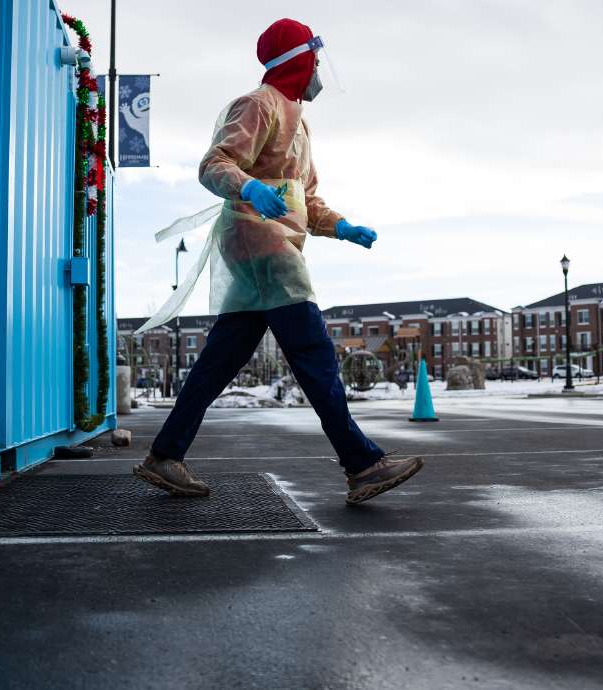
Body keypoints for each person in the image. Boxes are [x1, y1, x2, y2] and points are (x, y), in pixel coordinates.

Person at [134, 18, 423, 505]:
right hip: (261, 245)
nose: (318, 68)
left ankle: (165, 455)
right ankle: (362, 463)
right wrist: (247, 187)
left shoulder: (298, 120)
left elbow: (305, 196)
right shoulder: (257, 104)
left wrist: (342, 226)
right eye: (314, 55)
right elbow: (214, 163)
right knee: (314, 355)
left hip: (266, 245)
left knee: (221, 360)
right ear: (296, 59)